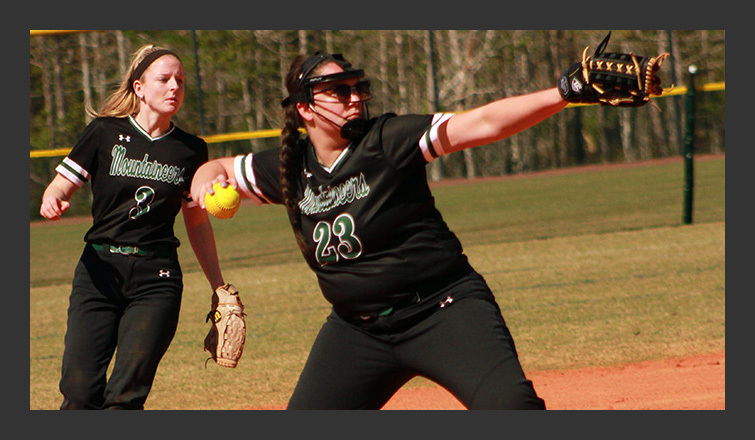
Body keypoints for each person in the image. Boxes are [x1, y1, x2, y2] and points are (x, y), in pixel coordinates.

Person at [191, 51, 568, 410]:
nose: (355, 98)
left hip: (442, 310)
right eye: (339, 91)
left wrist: (564, 92)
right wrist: (205, 186)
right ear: (304, 108)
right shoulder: (291, 166)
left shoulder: (388, 139)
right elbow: (216, 169)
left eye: (358, 88)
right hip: (357, 329)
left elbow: (483, 123)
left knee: (511, 408)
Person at [39, 44, 226, 410]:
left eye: (181, 81)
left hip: (156, 279)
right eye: (164, 79)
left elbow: (198, 222)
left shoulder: (190, 150)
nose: (175, 87)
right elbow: (64, 181)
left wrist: (218, 285)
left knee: (126, 396)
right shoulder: (104, 132)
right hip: (99, 271)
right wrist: (53, 196)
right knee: (78, 393)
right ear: (139, 87)